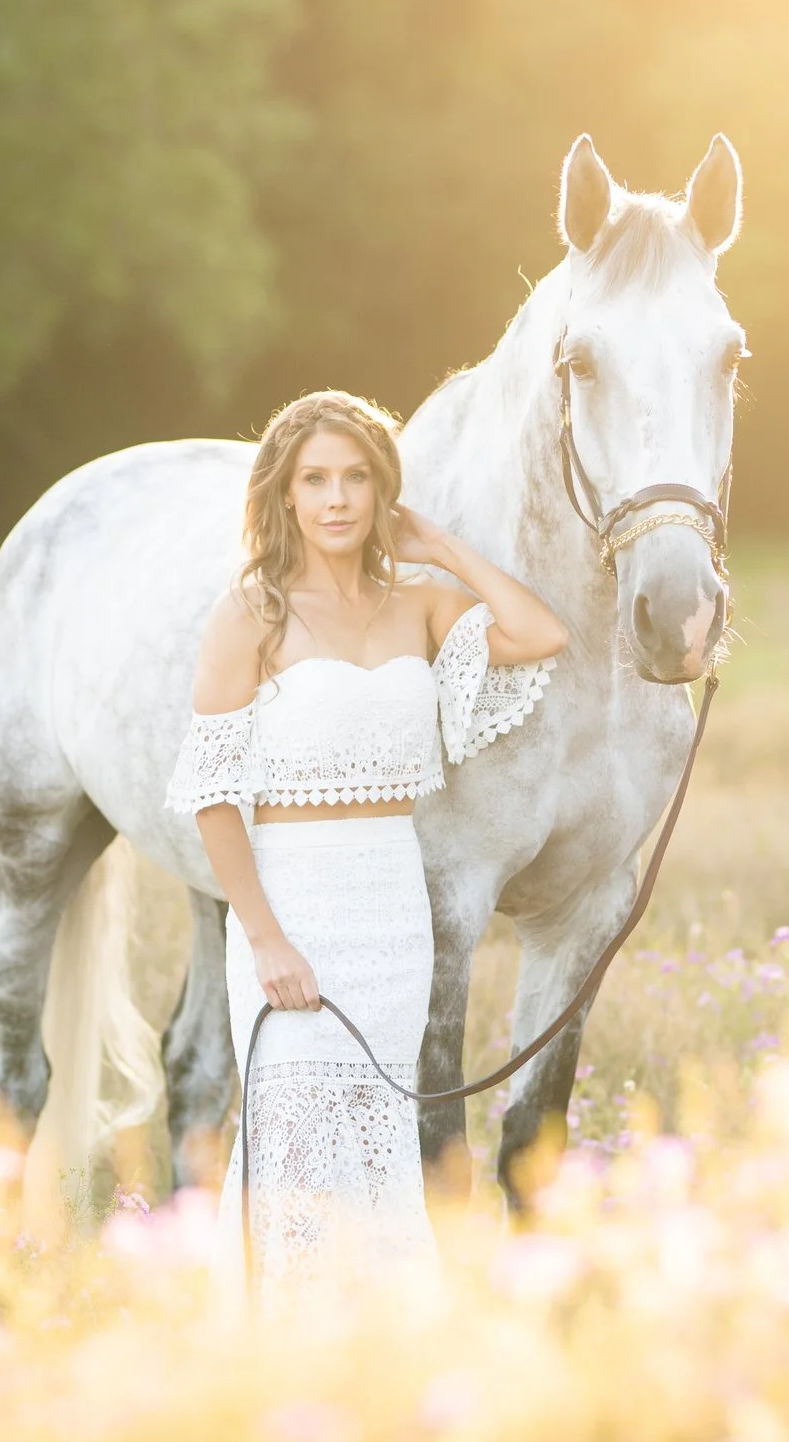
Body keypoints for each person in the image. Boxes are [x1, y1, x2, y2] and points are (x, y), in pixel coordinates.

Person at [165, 390, 571, 1308]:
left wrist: (443, 549)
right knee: (296, 1154)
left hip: (391, 909)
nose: (337, 499)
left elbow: (541, 634)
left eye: (355, 477)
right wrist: (266, 938)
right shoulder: (253, 614)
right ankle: (275, 1358)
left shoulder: (420, 606)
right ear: (286, 494)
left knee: (378, 1140)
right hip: (291, 904)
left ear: (383, 490)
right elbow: (213, 798)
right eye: (315, 480)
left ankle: (377, 1354)